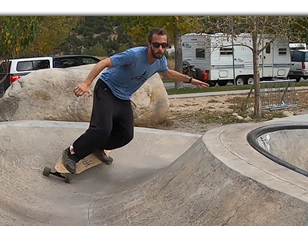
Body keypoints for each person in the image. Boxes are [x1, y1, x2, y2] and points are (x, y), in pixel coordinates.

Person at [61, 28, 209, 173]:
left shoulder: (160, 61)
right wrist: (86, 83)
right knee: (101, 129)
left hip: (123, 97)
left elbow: (168, 73)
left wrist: (191, 80)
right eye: (156, 45)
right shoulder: (134, 55)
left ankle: (98, 147)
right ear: (149, 44)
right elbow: (103, 63)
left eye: (164, 46)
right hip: (107, 89)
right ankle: (71, 153)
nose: (160, 49)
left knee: (126, 135)